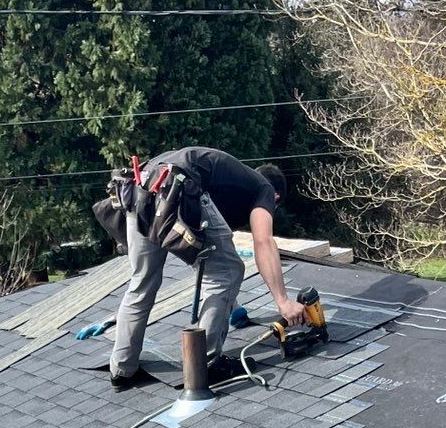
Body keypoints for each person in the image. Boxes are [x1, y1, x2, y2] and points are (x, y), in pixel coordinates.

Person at [109, 146, 306, 387]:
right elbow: (263, 241)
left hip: (141, 188)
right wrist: (283, 301)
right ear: (275, 197)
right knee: (231, 270)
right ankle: (207, 364)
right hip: (174, 186)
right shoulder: (263, 188)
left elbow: (211, 255)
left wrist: (232, 307)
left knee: (143, 280)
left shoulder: (229, 184)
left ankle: (121, 368)